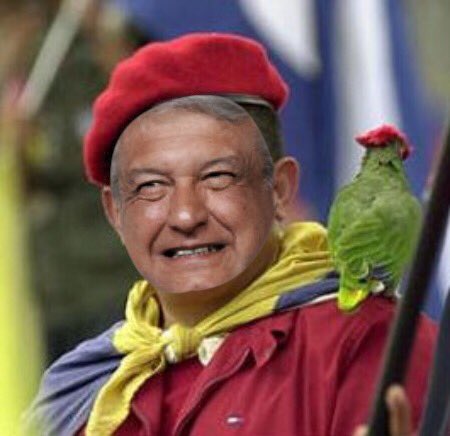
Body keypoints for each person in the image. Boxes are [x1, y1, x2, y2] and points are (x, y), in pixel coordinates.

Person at [25, 33, 436, 436]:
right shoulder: (78, 391)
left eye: (218, 177)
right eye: (151, 186)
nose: (186, 215)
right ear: (115, 211)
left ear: (279, 190)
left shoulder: (373, 345)